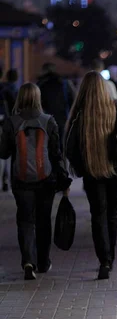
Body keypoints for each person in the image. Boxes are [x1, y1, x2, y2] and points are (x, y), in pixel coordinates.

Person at [65, 71, 117, 280]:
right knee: (112, 215)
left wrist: (80, 169)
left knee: (97, 216)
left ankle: (104, 260)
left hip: (92, 171)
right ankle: (111, 258)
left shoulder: (80, 114)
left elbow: (69, 148)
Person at [0, 83, 71, 280]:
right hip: (45, 179)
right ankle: (43, 261)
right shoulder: (48, 121)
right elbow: (57, 154)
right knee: (43, 220)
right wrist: (63, 178)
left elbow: (4, 153)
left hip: (20, 180)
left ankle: (27, 261)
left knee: (25, 221)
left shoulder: (11, 122)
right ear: (38, 98)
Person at [37, 63, 75, 145]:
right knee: (62, 142)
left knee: (48, 144)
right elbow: (73, 98)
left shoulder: (40, 84)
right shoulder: (64, 82)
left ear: (45, 71)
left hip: (46, 117)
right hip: (63, 117)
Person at [0, 69, 19, 191]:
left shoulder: (4, 88)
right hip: (8, 123)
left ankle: (4, 179)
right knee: (9, 153)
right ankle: (7, 179)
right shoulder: (12, 90)